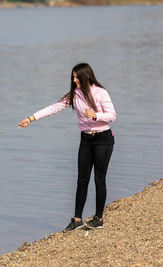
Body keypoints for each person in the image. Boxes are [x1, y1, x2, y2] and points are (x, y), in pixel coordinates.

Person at [18, 63, 116, 230]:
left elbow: (112, 115)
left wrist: (95, 115)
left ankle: (98, 219)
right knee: (82, 179)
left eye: (77, 77)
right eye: (73, 77)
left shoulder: (100, 92)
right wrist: (31, 118)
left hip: (103, 139)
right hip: (85, 139)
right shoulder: (75, 94)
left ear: (86, 76)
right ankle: (77, 220)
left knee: (99, 179)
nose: (74, 80)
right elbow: (54, 107)